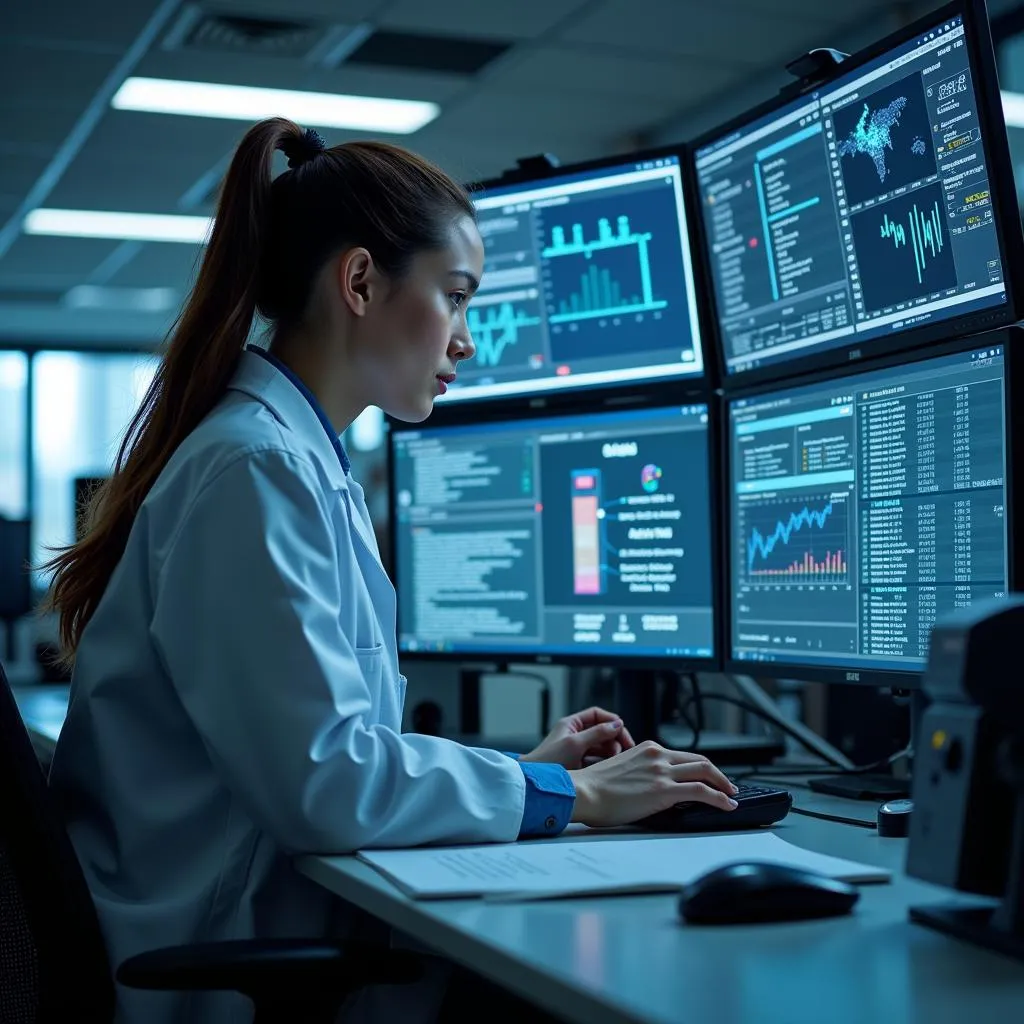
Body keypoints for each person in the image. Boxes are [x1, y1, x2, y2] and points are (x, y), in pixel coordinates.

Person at [44, 118, 738, 1024]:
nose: (466, 340)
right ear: (361, 282)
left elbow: (322, 759)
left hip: (239, 909)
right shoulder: (253, 468)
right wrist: (563, 793)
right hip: (214, 955)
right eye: (455, 297)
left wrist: (527, 775)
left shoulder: (287, 458)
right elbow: (324, 784)